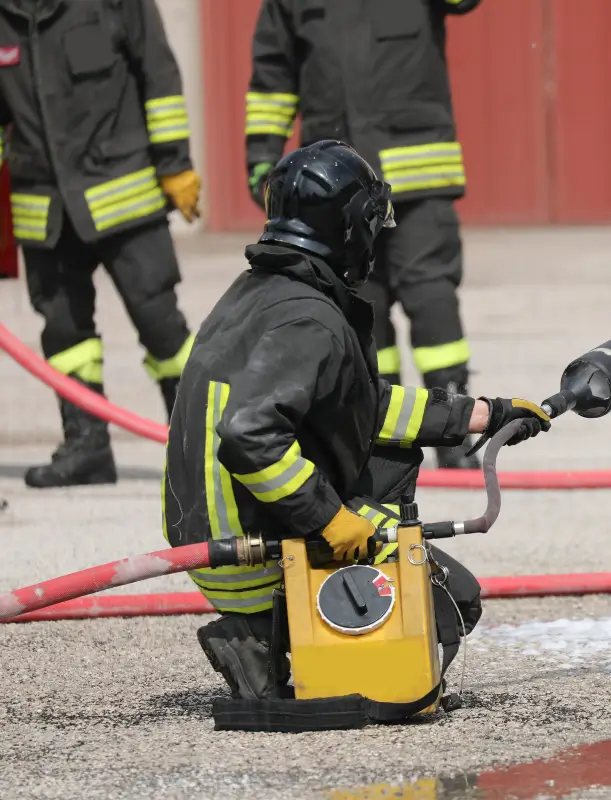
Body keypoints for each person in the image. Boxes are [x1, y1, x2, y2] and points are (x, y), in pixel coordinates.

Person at [161, 141, 550, 700]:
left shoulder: (263, 292)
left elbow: (358, 405)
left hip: (217, 532)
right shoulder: (308, 319)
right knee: (452, 604)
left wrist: (480, 415)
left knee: (390, 461)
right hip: (249, 550)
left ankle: (272, 627)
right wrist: (328, 520)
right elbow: (251, 439)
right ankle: (259, 634)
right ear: (348, 228)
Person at [244, 0, 484, 470]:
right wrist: (262, 159)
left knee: (429, 291)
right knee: (359, 301)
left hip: (417, 173)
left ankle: (452, 429)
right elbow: (272, 77)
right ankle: (382, 432)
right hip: (339, 181)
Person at [0, 0, 202, 487]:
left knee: (161, 326)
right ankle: (86, 447)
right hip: (44, 204)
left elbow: (158, 74)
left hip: (124, 194)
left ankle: (199, 446)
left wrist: (174, 163)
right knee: (65, 334)